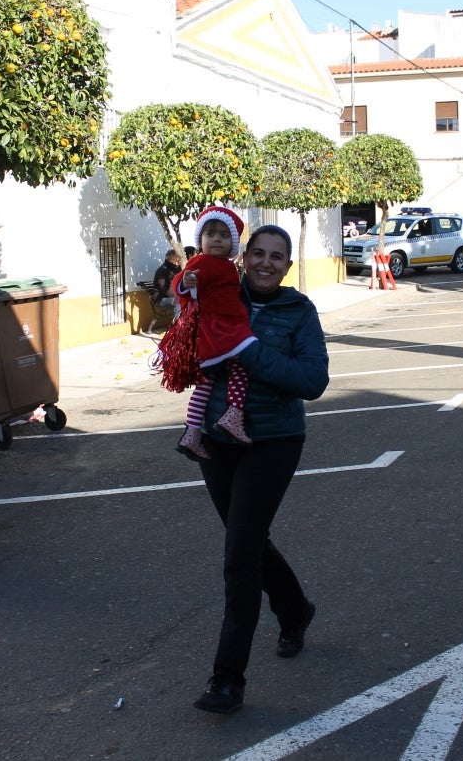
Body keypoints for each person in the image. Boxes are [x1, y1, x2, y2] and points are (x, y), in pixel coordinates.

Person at [190, 223, 329, 715]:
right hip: (217, 438)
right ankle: (295, 610)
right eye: (258, 254)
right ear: (244, 257)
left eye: (277, 257)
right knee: (246, 541)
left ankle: (227, 679)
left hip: (274, 441)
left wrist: (251, 353)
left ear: (287, 266)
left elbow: (313, 380)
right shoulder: (219, 295)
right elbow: (191, 355)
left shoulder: (299, 310)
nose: (266, 263)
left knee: (240, 556)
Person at [157, 207, 257, 460]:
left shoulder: (225, 265)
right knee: (243, 366)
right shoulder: (203, 262)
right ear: (200, 239)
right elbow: (184, 277)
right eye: (210, 233)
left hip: (212, 333)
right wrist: (186, 281)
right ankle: (234, 413)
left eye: (224, 235)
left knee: (205, 382)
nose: (216, 239)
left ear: (232, 242)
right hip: (224, 330)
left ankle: (192, 432)